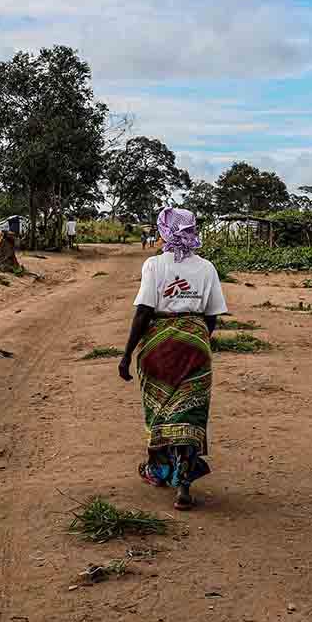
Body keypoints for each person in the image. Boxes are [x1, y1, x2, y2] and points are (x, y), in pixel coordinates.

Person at [118, 207, 226, 510]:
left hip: (158, 346)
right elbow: (212, 316)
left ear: (164, 231)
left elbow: (143, 312)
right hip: (195, 344)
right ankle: (185, 485)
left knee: (162, 412)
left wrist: (127, 355)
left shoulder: (154, 265)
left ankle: (160, 470)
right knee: (190, 413)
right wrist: (197, 338)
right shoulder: (207, 268)